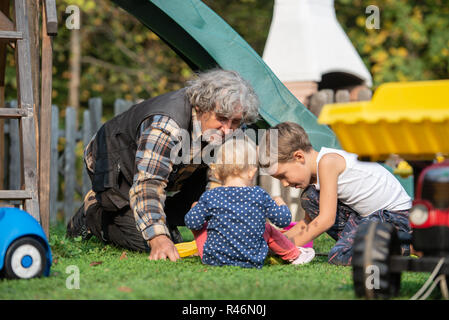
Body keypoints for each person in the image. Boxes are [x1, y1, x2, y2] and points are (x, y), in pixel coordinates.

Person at [66, 69, 259, 262]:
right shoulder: (166, 126)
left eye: (235, 122)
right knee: (146, 241)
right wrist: (158, 237)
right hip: (117, 165)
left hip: (175, 168)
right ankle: (94, 214)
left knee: (202, 203)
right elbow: (148, 184)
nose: (228, 129)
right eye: (222, 119)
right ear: (201, 107)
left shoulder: (231, 126)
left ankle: (163, 221)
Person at [262, 122, 413, 266]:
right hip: (369, 217)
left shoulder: (328, 162)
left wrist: (285, 249)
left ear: (299, 157)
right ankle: (358, 244)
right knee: (310, 198)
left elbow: (325, 220)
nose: (284, 184)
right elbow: (307, 223)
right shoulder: (316, 181)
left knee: (339, 255)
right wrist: (275, 242)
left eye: (283, 175)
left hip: (395, 218)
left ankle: (408, 246)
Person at [184, 136, 315, 268]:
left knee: (199, 217)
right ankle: (294, 255)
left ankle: (212, 249)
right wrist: (281, 204)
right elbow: (284, 221)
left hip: (213, 260)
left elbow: (192, 223)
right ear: (252, 172)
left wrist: (196, 208)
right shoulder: (259, 195)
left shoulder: (210, 196)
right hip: (252, 260)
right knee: (267, 228)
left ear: (217, 174)